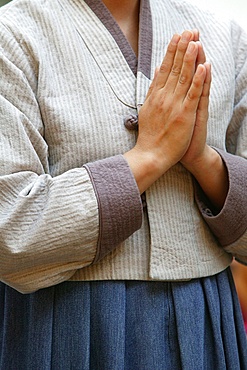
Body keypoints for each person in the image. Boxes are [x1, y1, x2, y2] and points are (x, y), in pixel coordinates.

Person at [0, 0, 246, 368]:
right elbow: (9, 232)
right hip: (64, 327)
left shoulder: (227, 36)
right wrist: (149, 157)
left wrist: (202, 160)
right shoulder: (14, 34)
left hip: (207, 324)